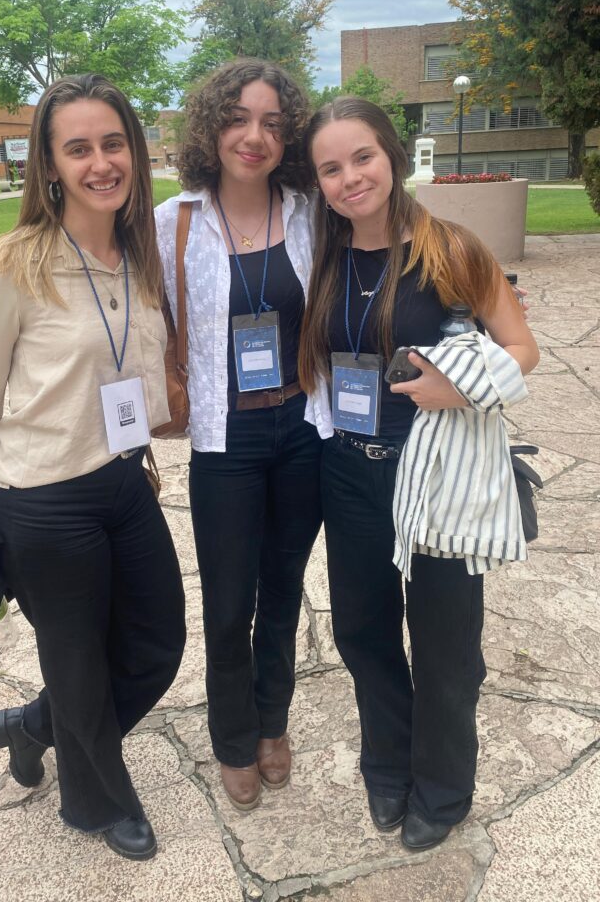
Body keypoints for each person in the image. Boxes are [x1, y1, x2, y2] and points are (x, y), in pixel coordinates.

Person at [0, 73, 186, 861]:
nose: (100, 162)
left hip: (123, 481)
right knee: (78, 665)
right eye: (78, 148)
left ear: (136, 155)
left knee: (157, 643)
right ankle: (101, 803)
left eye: (114, 144)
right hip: (40, 501)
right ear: (48, 165)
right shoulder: (12, 266)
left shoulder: (140, 257)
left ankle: (28, 725)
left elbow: (142, 381)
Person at [298, 97, 539, 850]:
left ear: (393, 156)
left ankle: (443, 785)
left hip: (436, 477)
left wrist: (461, 386)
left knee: (445, 643)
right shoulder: (326, 255)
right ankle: (387, 765)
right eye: (330, 168)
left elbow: (520, 347)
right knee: (365, 633)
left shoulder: (452, 250)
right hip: (351, 473)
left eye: (361, 157)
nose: (349, 178)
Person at [155, 59, 328, 811]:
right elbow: (139, 319)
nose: (253, 136)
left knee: (283, 590)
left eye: (271, 123)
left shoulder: (310, 210)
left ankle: (272, 724)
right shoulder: (176, 222)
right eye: (238, 119)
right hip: (225, 443)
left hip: (303, 430)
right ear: (212, 127)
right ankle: (232, 736)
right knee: (228, 601)